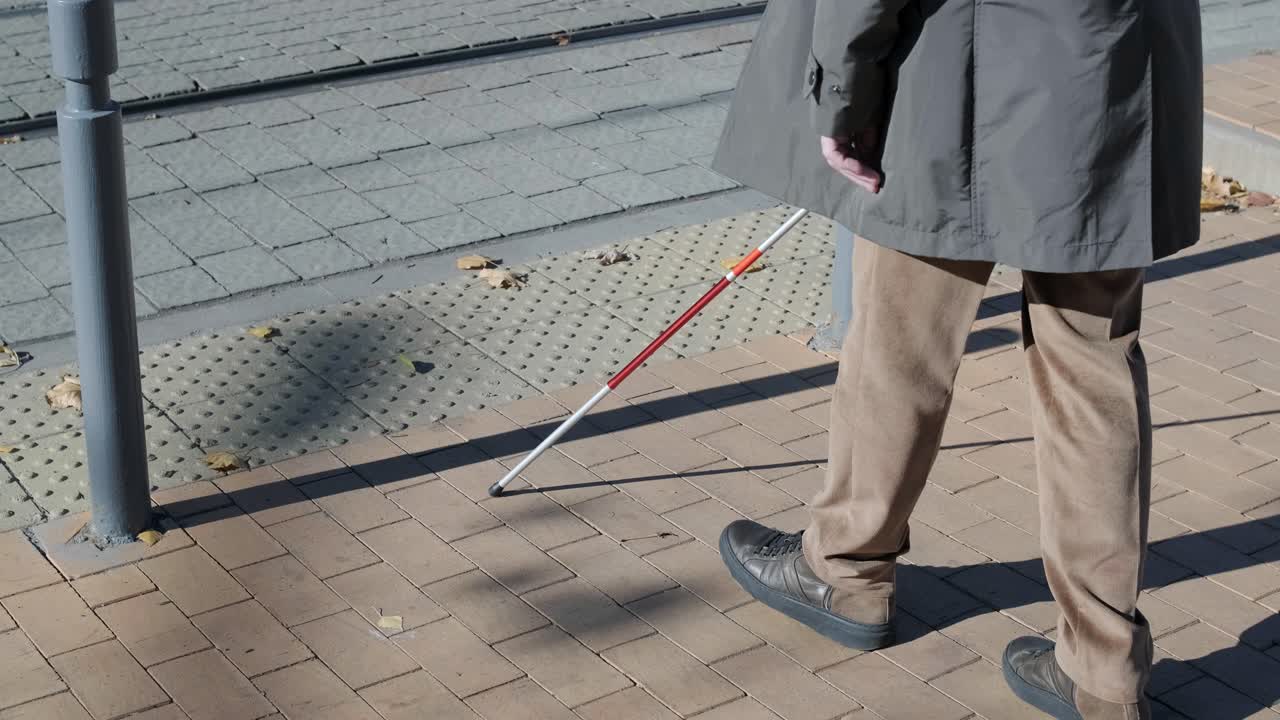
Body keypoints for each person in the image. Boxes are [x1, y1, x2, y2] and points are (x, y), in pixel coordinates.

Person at [710, 1, 1203, 718]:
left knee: (898, 337)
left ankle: (845, 566)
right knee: (1094, 371)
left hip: (953, 71)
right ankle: (1103, 669)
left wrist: (845, 88)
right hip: (1113, 68)